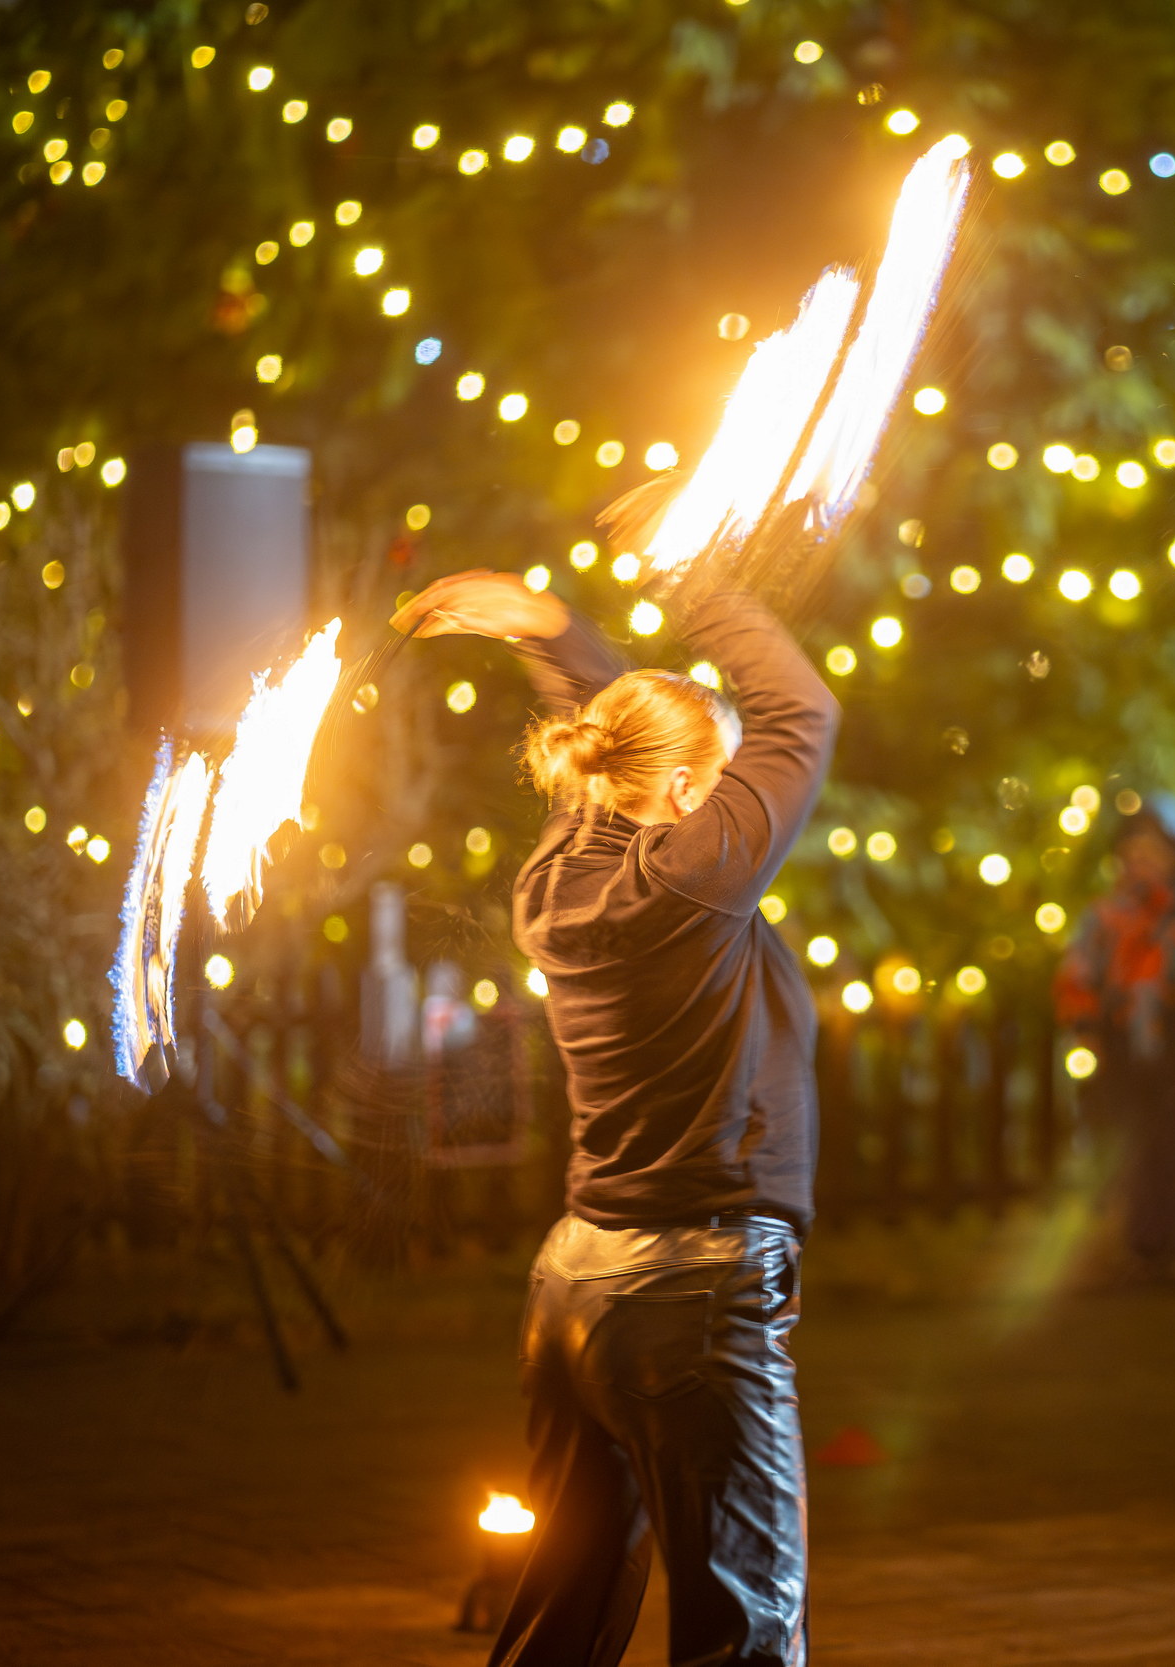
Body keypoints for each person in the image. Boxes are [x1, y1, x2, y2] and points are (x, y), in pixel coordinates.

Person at [395, 569, 836, 1667]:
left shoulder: (559, 870)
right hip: (695, 1294)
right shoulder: (689, 880)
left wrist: (547, 628)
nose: (745, 800)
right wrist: (698, 578)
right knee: (745, 1630)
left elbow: (606, 738)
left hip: (574, 1286)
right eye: (727, 779)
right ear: (688, 789)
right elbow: (803, 711)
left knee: (561, 1619)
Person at [1057, 805, 1175, 1292]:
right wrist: (1087, 1025)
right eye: (1132, 855)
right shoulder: (1103, 920)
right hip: (1121, 1052)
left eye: (1152, 854)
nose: (1141, 865)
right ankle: (1145, 1248)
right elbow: (1078, 978)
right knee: (1135, 1153)